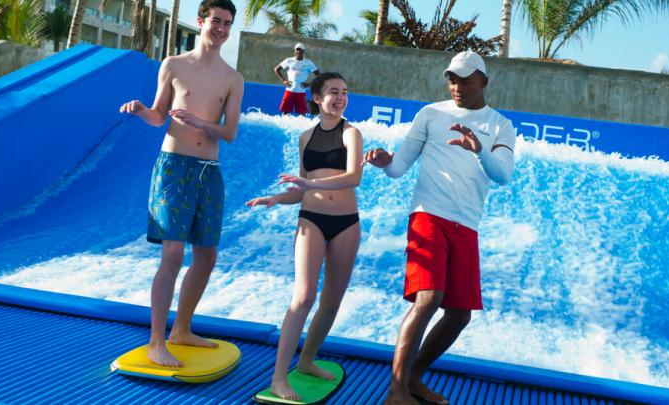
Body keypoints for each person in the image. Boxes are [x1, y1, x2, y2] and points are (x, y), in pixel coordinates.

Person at [362, 51, 516, 405]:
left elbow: (503, 175)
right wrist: (385, 162)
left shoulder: (499, 125)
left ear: (483, 82)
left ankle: (414, 378)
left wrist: (479, 150)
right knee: (428, 297)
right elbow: (399, 166)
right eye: (452, 79)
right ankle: (396, 390)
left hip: (467, 225)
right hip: (428, 216)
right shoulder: (430, 113)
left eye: (465, 80)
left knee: (459, 315)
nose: (457, 87)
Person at [118, 0, 243, 368]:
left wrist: (201, 123)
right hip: (173, 168)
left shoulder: (232, 78)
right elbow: (160, 117)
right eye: (216, 21)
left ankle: (182, 329)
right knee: (171, 256)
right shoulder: (173, 65)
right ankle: (157, 341)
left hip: (209, 171)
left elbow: (230, 133)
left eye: (228, 23)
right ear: (201, 21)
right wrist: (143, 111)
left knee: (207, 256)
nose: (221, 28)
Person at [246, 72, 363, 401]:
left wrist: (312, 184)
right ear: (316, 97)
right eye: (333, 92)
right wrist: (276, 198)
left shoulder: (352, 133)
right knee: (303, 296)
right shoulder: (305, 137)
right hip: (311, 218)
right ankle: (279, 379)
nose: (340, 97)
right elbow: (300, 191)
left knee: (331, 301)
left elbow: (354, 177)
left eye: (344, 92)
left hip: (346, 223)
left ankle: (308, 361)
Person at [274, 43, 321, 116]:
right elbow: (276, 69)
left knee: (302, 114)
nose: (299, 51)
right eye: (297, 49)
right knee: (285, 112)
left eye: (301, 50)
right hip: (289, 90)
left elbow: (320, 75)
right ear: (294, 51)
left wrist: (309, 84)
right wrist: (284, 80)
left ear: (303, 51)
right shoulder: (288, 60)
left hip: (301, 92)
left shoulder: (308, 63)